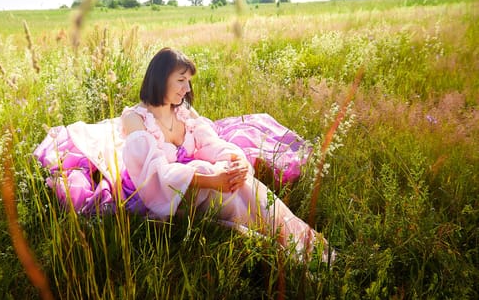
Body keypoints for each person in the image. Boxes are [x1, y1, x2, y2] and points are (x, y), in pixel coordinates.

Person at [34, 47, 333, 262]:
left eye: (188, 81)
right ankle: (288, 246)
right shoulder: (136, 118)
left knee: (243, 183)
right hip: (159, 191)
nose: (186, 88)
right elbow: (153, 173)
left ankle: (300, 242)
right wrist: (209, 179)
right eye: (180, 80)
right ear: (160, 78)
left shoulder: (184, 112)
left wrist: (234, 159)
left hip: (194, 178)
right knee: (229, 191)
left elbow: (210, 144)